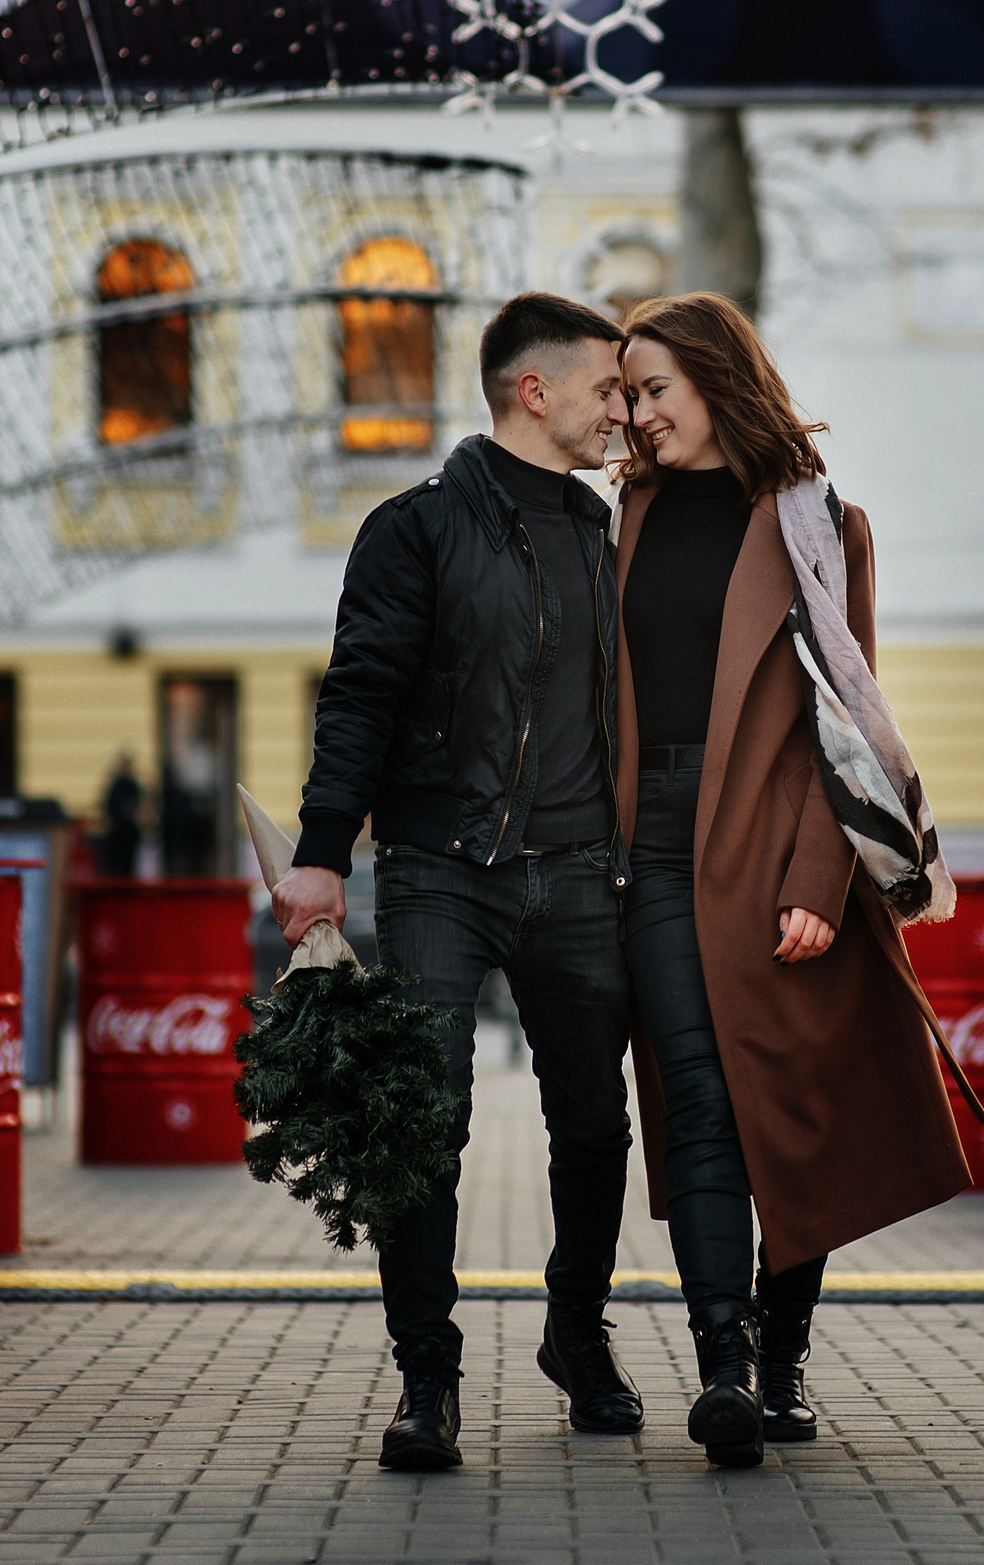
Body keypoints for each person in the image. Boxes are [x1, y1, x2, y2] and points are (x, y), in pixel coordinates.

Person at [269, 290, 641, 1472]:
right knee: (422, 1118)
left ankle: (576, 1334)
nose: (620, 411)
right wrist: (321, 851)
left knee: (595, 1120)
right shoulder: (415, 528)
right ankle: (427, 1375)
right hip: (441, 864)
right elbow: (360, 693)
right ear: (535, 391)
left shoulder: (604, 531)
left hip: (577, 869)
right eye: (605, 389)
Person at [612, 292, 975, 1469]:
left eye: (654, 388)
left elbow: (848, 719)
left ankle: (781, 1360)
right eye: (628, 392)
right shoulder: (624, 513)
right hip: (650, 845)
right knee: (697, 1095)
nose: (637, 412)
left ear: (716, 380)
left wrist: (821, 874)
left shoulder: (823, 525)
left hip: (773, 840)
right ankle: (722, 1361)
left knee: (785, 1104)